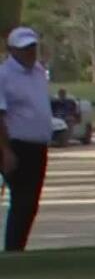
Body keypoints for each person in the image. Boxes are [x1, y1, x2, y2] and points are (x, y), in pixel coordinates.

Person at [0, 26, 54, 251]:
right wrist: (5, 151)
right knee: (22, 200)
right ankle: (13, 250)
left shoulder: (39, 71)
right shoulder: (4, 75)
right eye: (24, 49)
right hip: (15, 145)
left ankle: (17, 248)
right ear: (12, 50)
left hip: (37, 146)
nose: (30, 52)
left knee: (30, 202)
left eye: (32, 47)